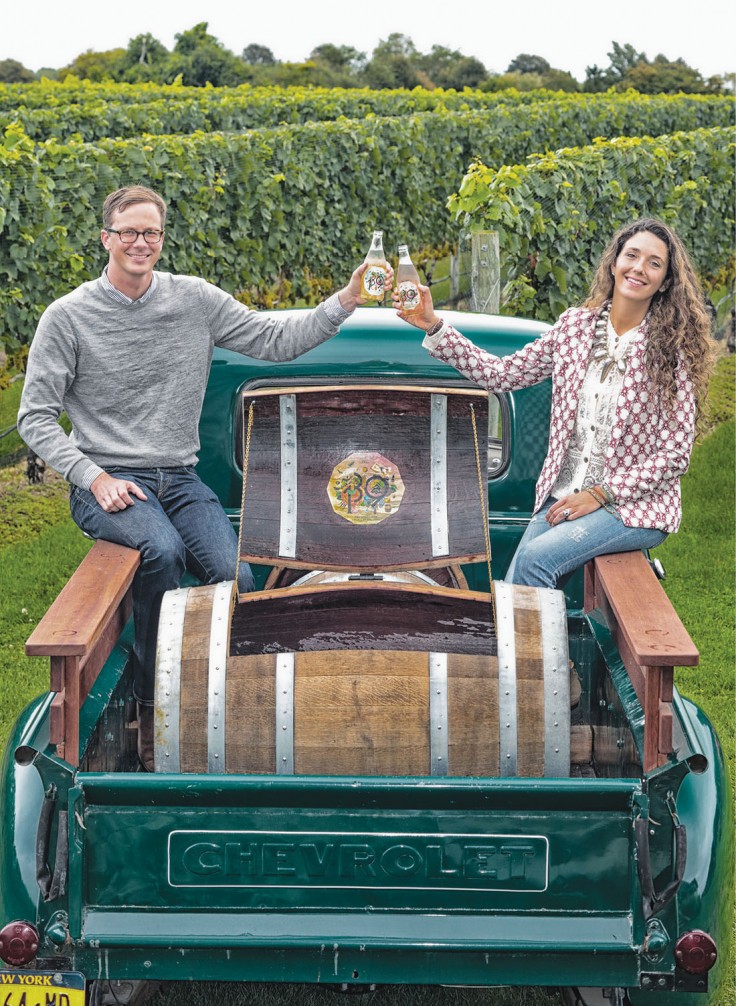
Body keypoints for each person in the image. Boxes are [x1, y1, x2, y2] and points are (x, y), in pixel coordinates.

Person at [18, 184, 393, 770]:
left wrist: (345, 299)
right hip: (108, 480)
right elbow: (34, 418)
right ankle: (150, 705)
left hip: (179, 477)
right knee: (160, 552)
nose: (141, 242)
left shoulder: (194, 299)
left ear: (161, 240)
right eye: (129, 232)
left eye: (151, 233)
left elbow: (275, 341)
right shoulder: (67, 316)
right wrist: (91, 477)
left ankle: (230, 701)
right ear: (106, 239)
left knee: (233, 573)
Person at [393, 218, 715, 590]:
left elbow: (675, 453)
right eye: (632, 255)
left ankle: (520, 649)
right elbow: (502, 375)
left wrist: (601, 494)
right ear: (614, 263)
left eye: (654, 263)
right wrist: (434, 326)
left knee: (533, 561)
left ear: (666, 282)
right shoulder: (573, 328)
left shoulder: (671, 350)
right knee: (517, 583)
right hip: (563, 495)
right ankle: (523, 650)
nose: (639, 268)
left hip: (632, 506)